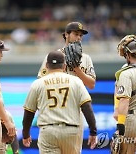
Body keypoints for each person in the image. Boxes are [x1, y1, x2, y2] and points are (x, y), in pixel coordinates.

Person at [22, 51, 97, 154]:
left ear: (47, 65)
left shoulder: (38, 84)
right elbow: (86, 107)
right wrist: (93, 131)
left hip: (48, 130)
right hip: (71, 131)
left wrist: (25, 134)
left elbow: (29, 111)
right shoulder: (76, 81)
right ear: (64, 66)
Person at [37, 21, 96, 152]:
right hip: (55, 109)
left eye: (81, 35)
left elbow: (91, 84)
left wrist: (77, 69)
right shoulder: (53, 57)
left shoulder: (85, 58)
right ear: (66, 35)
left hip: (76, 109)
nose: (79, 38)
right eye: (76, 34)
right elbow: (42, 82)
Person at [114, 35, 136, 153]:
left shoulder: (126, 73)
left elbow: (124, 101)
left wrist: (120, 124)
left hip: (132, 119)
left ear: (128, 55)